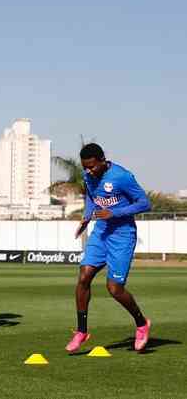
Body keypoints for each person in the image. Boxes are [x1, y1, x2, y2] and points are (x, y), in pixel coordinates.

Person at [65, 143, 152, 353]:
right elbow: (90, 197)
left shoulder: (122, 177)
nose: (89, 171)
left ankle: (141, 324)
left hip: (122, 235)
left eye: (93, 167)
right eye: (86, 167)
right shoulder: (89, 176)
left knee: (114, 289)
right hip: (101, 231)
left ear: (103, 159)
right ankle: (82, 330)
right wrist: (86, 218)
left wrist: (115, 213)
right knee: (84, 276)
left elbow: (144, 203)